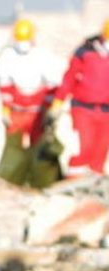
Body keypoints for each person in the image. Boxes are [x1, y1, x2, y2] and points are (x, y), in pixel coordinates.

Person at [0, 19, 61, 185]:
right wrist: (5, 111)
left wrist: (50, 109)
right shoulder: (7, 57)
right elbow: (4, 87)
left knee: (39, 147)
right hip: (17, 111)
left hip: (37, 111)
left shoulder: (43, 57)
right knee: (13, 148)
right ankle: (12, 180)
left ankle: (40, 181)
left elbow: (52, 85)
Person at [49, 19, 109, 176]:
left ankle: (95, 185)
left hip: (106, 112)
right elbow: (69, 78)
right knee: (83, 148)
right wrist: (57, 103)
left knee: (100, 153)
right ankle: (74, 180)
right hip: (83, 108)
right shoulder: (85, 52)